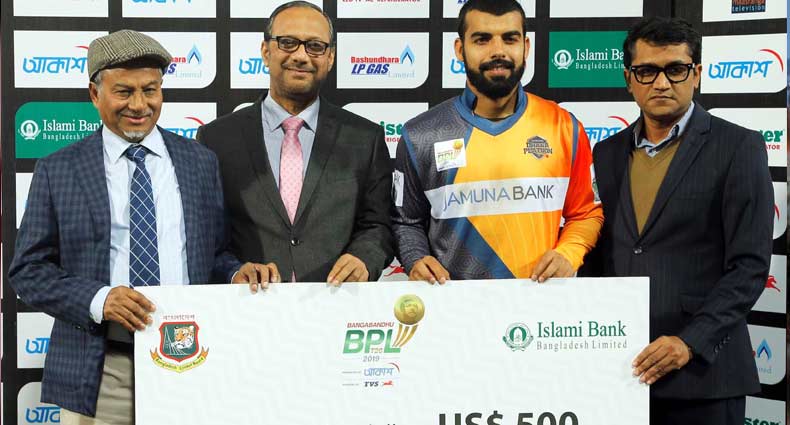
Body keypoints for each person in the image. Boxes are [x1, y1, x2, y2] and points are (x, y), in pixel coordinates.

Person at [8, 30, 275, 424]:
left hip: (192, 360)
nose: (139, 105)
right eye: (124, 91)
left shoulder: (199, 162)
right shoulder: (59, 169)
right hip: (102, 371)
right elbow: (28, 271)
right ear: (95, 94)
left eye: (150, 90)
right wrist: (100, 299)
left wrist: (237, 272)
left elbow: (214, 252)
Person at [579, 17, 773, 425]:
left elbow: (750, 267)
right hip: (620, 372)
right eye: (647, 71)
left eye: (676, 69)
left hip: (704, 375)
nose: (661, 83)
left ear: (696, 74)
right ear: (629, 79)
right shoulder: (606, 153)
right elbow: (597, 258)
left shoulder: (739, 146)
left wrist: (690, 342)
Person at [391, 0, 602, 283]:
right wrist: (416, 258)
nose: (498, 51)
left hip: (541, 305)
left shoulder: (564, 127)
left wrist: (569, 252)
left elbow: (586, 213)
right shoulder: (421, 134)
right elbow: (405, 221)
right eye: (482, 39)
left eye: (509, 39)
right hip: (454, 305)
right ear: (459, 49)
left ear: (526, 47)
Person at [197, 1, 394, 285]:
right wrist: (234, 271)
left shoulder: (366, 138)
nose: (301, 56)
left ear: (330, 57)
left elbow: (378, 225)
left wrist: (364, 258)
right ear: (266, 52)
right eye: (288, 43)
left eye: (315, 46)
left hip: (336, 302)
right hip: (250, 305)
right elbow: (206, 236)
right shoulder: (216, 138)